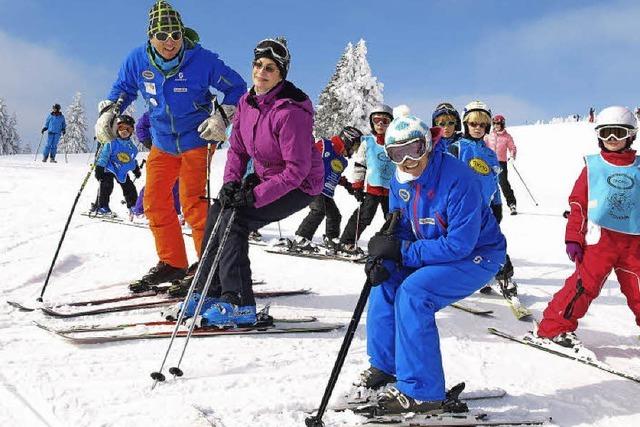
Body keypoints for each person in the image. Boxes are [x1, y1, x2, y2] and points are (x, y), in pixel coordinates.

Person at [170, 36, 323, 326]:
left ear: (280, 76)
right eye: (258, 66)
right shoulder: (247, 102)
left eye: (270, 69)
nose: (261, 73)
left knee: (236, 221)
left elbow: (296, 171)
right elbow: (238, 150)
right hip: (268, 177)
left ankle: (239, 302)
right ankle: (208, 290)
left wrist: (253, 197)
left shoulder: (290, 112)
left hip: (299, 185)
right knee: (218, 213)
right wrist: (230, 184)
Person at [95, 1, 247, 291]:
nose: (170, 42)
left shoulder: (202, 60)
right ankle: (173, 263)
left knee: (193, 203)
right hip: (163, 141)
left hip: (197, 139)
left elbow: (237, 88)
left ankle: (208, 268)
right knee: (154, 202)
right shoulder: (137, 59)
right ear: (150, 36)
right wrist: (110, 111)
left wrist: (221, 116)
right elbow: (123, 89)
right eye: (162, 35)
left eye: (175, 35)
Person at [359, 115, 506, 414]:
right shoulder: (398, 180)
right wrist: (385, 252)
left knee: (415, 293)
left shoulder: (458, 179)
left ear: (427, 144)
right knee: (386, 282)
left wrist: (403, 252)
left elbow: (459, 244)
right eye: (396, 154)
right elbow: (399, 227)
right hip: (434, 249)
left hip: (478, 254)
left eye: (414, 149)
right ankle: (386, 366)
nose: (407, 160)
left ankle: (423, 392)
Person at [536, 106, 640, 347]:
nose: (612, 140)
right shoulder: (593, 167)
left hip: (634, 241)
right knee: (584, 285)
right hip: (599, 239)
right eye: (606, 134)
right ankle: (554, 328)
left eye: (618, 133)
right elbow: (578, 205)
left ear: (631, 135)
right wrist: (573, 237)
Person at [448, 101, 516, 295]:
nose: (478, 128)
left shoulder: (490, 154)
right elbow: (447, 179)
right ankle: (455, 279)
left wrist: (497, 204)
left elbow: (493, 183)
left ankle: (505, 279)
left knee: (493, 243)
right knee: (460, 245)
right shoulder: (457, 148)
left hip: (485, 208)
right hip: (460, 210)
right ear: (465, 124)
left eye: (482, 125)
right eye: (473, 124)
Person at [290, 126, 363, 252]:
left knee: (335, 215)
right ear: (347, 140)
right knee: (318, 211)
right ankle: (301, 239)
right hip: (312, 186)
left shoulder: (342, 161)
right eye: (354, 146)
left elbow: (334, 174)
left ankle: (332, 240)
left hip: (326, 193)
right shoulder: (325, 146)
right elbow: (307, 157)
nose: (354, 151)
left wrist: (348, 186)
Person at [337, 105, 395, 254]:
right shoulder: (368, 142)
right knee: (364, 216)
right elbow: (360, 164)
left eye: (385, 121)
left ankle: (389, 246)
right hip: (373, 188)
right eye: (377, 120)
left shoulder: (394, 142)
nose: (380, 124)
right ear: (372, 123)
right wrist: (357, 186)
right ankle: (346, 242)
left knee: (393, 219)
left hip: (391, 190)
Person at [130, 111, 182, 221]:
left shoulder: (182, 108)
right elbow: (140, 127)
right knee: (154, 182)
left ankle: (175, 212)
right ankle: (139, 211)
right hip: (160, 151)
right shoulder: (155, 110)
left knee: (176, 183)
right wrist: (147, 141)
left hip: (179, 152)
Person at [94, 115, 141, 216]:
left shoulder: (132, 147)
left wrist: (135, 168)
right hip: (109, 168)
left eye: (128, 129)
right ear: (117, 128)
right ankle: (102, 206)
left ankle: (133, 206)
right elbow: (103, 156)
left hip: (121, 171)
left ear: (132, 131)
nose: (124, 131)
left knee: (129, 187)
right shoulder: (111, 144)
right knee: (107, 185)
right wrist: (99, 167)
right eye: (121, 128)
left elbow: (131, 160)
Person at [484, 114, 518, 215]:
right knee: (488, 183)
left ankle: (512, 204)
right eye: (494, 123)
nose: (496, 125)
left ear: (502, 124)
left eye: (498, 123)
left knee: (503, 183)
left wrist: (512, 156)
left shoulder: (507, 137)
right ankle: (488, 205)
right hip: (489, 162)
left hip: (501, 162)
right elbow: (483, 146)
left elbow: (512, 148)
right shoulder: (489, 136)